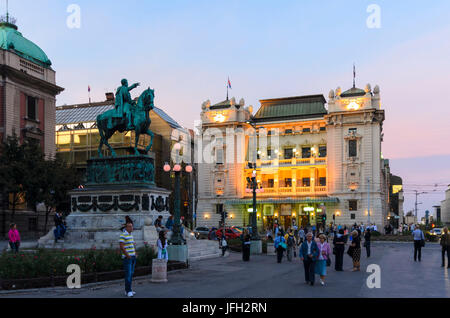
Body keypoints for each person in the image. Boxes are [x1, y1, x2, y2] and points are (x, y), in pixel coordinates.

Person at [119, 219, 137, 297]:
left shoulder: (130, 235)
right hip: (128, 258)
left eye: (132, 226)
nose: (131, 228)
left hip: (133, 257)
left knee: (131, 274)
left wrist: (135, 253)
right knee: (128, 274)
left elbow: (132, 245)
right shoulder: (123, 235)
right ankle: (128, 290)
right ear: (126, 228)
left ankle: (128, 290)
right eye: (130, 227)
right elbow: (121, 246)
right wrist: (127, 255)